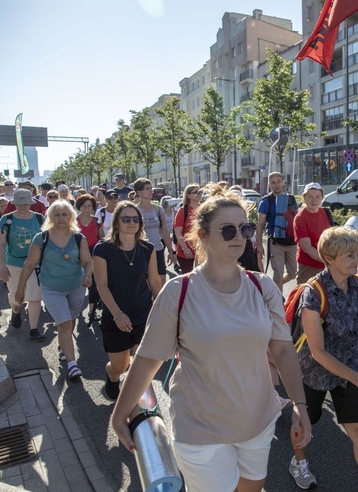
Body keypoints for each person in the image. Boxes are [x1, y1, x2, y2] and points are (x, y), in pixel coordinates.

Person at [111, 193, 311, 491]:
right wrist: (120, 415)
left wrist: (300, 405)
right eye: (228, 230)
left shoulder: (263, 286)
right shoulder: (178, 291)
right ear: (202, 235)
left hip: (257, 420)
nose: (239, 236)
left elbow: (282, 349)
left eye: (244, 229)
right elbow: (149, 358)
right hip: (200, 428)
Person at [290, 226, 358, 490]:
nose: (357, 260)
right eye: (350, 256)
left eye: (357, 253)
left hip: (349, 366)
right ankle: (298, 462)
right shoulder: (313, 292)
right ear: (329, 258)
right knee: (305, 423)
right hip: (314, 372)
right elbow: (318, 352)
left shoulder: (357, 283)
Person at [15, 200, 93, 378]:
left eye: (65, 214)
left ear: (71, 217)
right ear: (50, 217)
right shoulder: (41, 238)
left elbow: (87, 262)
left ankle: (62, 346)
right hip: (51, 288)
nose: (61, 218)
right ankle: (72, 365)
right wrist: (20, 289)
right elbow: (28, 265)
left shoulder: (78, 237)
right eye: (56, 214)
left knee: (71, 322)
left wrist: (88, 275)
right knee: (64, 323)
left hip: (76, 287)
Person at [94, 201, 160, 399]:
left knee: (141, 364)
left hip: (143, 312)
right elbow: (102, 285)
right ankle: (112, 376)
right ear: (117, 222)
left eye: (135, 219)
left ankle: (137, 406)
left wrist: (167, 308)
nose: (131, 222)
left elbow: (155, 281)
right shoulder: (102, 249)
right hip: (115, 315)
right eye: (126, 219)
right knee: (120, 366)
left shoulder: (148, 248)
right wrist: (117, 314)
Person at [0, 188, 47, 341]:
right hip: (14, 263)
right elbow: (1, 244)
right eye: (19, 203)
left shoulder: (39, 219)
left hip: (34, 264)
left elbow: (46, 241)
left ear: (30, 203)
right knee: (16, 298)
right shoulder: (6, 220)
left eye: (25, 203)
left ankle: (34, 329)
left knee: (35, 296)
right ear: (14, 203)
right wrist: (2, 266)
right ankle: (16, 311)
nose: (23, 206)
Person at [257, 172, 298, 291]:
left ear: (283, 183)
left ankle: (273, 288)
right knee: (278, 274)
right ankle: (278, 303)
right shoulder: (266, 202)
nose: (276, 185)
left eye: (279, 181)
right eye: (273, 183)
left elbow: (297, 219)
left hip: (291, 242)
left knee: (292, 273)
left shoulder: (291, 199)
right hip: (276, 243)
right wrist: (259, 245)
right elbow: (260, 224)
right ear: (269, 185)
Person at [133, 178, 175, 285]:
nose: (150, 191)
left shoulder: (158, 209)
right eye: (147, 188)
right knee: (146, 283)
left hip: (158, 249)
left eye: (151, 188)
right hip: (142, 250)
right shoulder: (135, 210)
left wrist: (171, 250)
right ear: (139, 192)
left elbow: (164, 231)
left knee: (161, 280)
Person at [294, 183, 333, 284]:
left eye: (317, 197)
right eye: (310, 196)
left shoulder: (325, 212)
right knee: (306, 297)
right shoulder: (300, 218)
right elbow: (307, 248)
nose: (314, 200)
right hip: (308, 267)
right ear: (303, 198)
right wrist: (328, 261)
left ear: (322, 198)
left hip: (326, 265)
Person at [75, 194, 105, 324]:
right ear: (79, 207)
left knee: (93, 282)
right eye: (84, 206)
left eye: (90, 206)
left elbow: (102, 238)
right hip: (76, 253)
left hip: (93, 252)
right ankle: (76, 308)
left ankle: (92, 310)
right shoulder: (73, 221)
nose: (87, 209)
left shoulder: (97, 221)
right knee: (78, 281)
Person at [173, 183, 201, 274]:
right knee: (189, 278)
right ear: (189, 195)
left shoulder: (204, 209)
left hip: (201, 251)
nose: (199, 194)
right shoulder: (183, 210)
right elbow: (178, 232)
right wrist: (185, 248)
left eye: (200, 192)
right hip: (186, 252)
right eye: (196, 192)